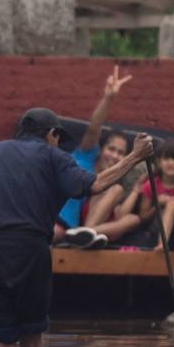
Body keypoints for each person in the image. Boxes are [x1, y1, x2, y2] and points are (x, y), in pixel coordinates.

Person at [0, 107, 152, 347]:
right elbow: (96, 184)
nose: (58, 143)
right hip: (28, 247)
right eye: (58, 138)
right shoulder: (54, 156)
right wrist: (136, 156)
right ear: (51, 133)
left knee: (2, 331)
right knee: (31, 328)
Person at [55, 67, 146, 249]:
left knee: (122, 200)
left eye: (120, 153)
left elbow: (121, 215)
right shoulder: (86, 157)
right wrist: (109, 97)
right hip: (58, 217)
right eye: (111, 149)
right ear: (100, 148)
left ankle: (87, 234)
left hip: (77, 226)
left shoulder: (116, 181)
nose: (114, 156)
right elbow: (94, 129)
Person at [124, 138, 174, 251]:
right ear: (158, 162)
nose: (171, 163)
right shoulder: (151, 184)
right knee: (171, 205)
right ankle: (162, 244)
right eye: (166, 158)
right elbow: (143, 217)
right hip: (155, 230)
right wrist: (157, 204)